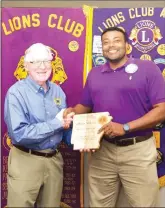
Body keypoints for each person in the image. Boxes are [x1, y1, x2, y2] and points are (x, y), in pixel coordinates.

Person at [64, 27, 165, 207]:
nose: (111, 45)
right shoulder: (95, 74)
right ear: (102, 47)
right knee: (99, 204)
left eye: (116, 40)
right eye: (106, 42)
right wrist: (71, 111)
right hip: (103, 151)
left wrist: (125, 127)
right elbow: (85, 106)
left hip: (137, 150)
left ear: (127, 45)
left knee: (145, 205)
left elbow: (162, 110)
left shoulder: (147, 68)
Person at [4, 43, 73, 207]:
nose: (42, 67)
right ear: (26, 66)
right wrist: (57, 123)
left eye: (46, 61)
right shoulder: (16, 93)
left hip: (54, 160)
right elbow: (19, 134)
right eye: (36, 62)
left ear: (52, 65)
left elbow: (64, 130)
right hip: (26, 160)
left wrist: (82, 140)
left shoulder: (58, 92)